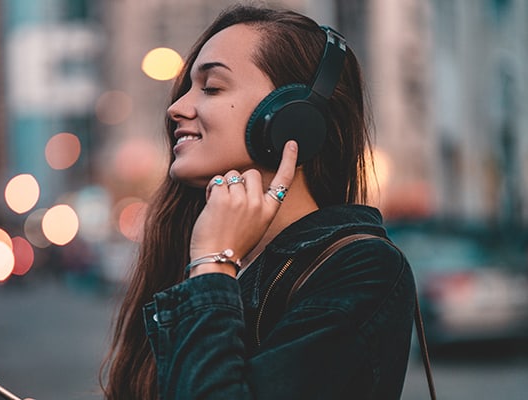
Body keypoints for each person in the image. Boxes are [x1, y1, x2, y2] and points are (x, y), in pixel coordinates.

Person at [102, 4, 416, 399]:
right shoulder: (206, 249)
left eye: (211, 87)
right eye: (187, 89)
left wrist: (212, 264)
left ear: (293, 117)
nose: (176, 108)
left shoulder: (363, 269)